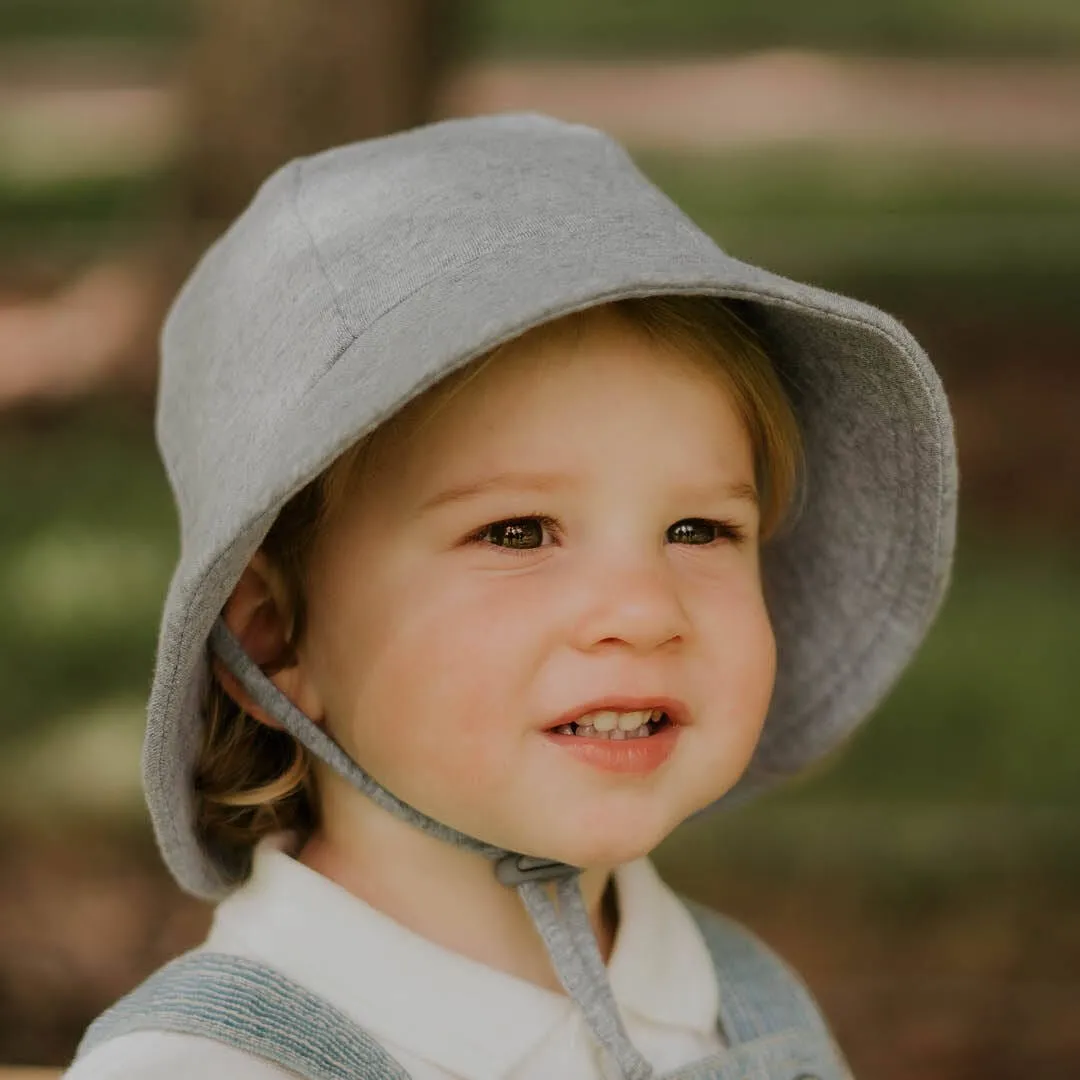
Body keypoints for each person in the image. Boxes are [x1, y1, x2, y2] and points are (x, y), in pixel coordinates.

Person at [64, 113, 956, 1080]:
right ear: (277, 637)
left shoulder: (743, 1006)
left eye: (697, 531)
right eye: (518, 532)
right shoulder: (208, 1066)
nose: (645, 610)